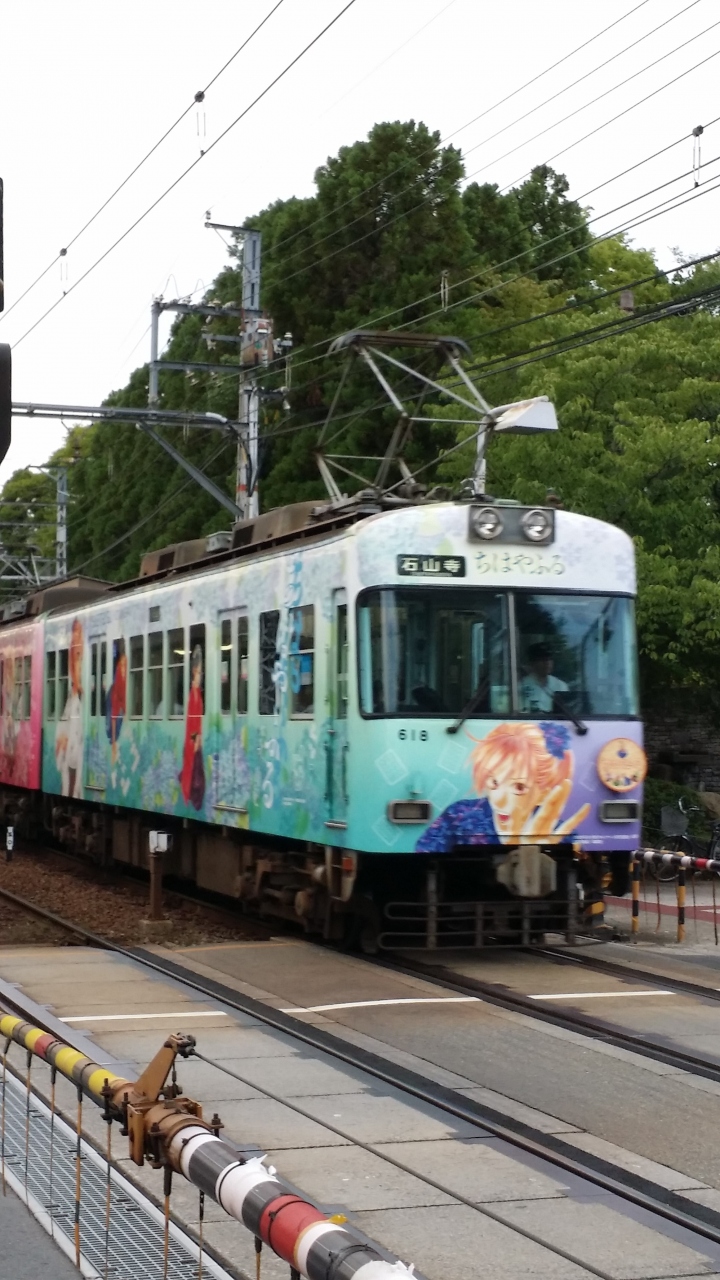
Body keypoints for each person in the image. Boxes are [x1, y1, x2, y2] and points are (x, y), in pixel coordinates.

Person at [416, 721, 590, 851]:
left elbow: (584, 864)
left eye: (519, 787)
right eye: (493, 782)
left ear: (544, 794)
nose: (499, 800)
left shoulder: (558, 833)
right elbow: (423, 853)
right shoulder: (458, 816)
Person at [56, 618, 83, 797]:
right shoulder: (69, 702)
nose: (76, 665)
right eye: (74, 656)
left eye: (79, 656)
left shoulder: (82, 699)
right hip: (69, 771)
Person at [179, 645, 205, 809]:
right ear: (194, 671)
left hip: (196, 741)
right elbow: (192, 722)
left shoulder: (196, 693)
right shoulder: (194, 695)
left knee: (197, 776)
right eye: (200, 672)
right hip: (193, 743)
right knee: (196, 777)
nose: (201, 675)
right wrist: (195, 740)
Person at [519, 642, 569, 714]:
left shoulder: (561, 686)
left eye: (549, 659)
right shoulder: (521, 686)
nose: (547, 663)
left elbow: (566, 714)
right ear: (532, 662)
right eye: (543, 659)